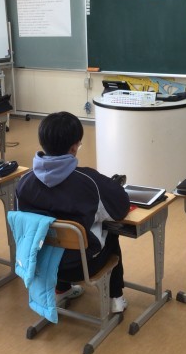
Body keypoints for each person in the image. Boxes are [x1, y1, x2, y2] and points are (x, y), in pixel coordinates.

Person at [15, 111, 131, 313]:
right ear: (74, 147)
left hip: (38, 261)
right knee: (111, 231)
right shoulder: (88, 181)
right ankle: (116, 297)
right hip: (80, 266)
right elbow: (120, 208)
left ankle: (62, 289)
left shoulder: (24, 182)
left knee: (51, 230)